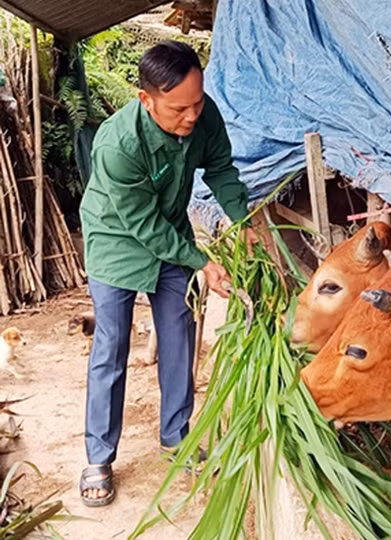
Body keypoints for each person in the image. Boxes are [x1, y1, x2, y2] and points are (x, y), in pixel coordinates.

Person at [77, 40, 259, 507]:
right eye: (180, 108)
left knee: (179, 337)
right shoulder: (118, 144)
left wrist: (243, 222)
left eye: (197, 102)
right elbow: (142, 224)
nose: (192, 115)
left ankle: (175, 437)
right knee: (111, 347)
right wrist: (202, 260)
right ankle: (99, 457)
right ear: (146, 99)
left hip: (170, 233)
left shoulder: (203, 113)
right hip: (116, 241)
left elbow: (220, 169)